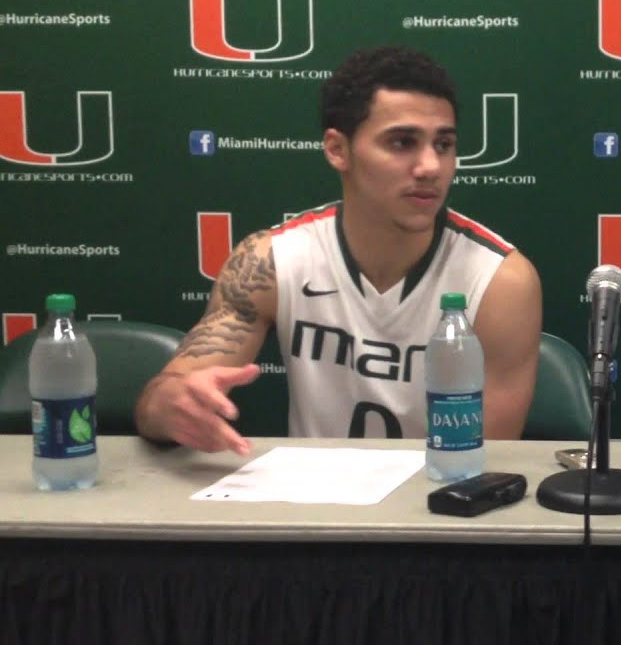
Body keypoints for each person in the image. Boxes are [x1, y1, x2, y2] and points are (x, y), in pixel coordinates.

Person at [136, 46, 542, 454]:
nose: (431, 167)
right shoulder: (269, 261)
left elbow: (486, 461)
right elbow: (160, 403)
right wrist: (172, 405)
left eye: (444, 144)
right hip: (312, 509)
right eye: (402, 142)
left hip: (434, 508)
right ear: (337, 149)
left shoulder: (499, 281)